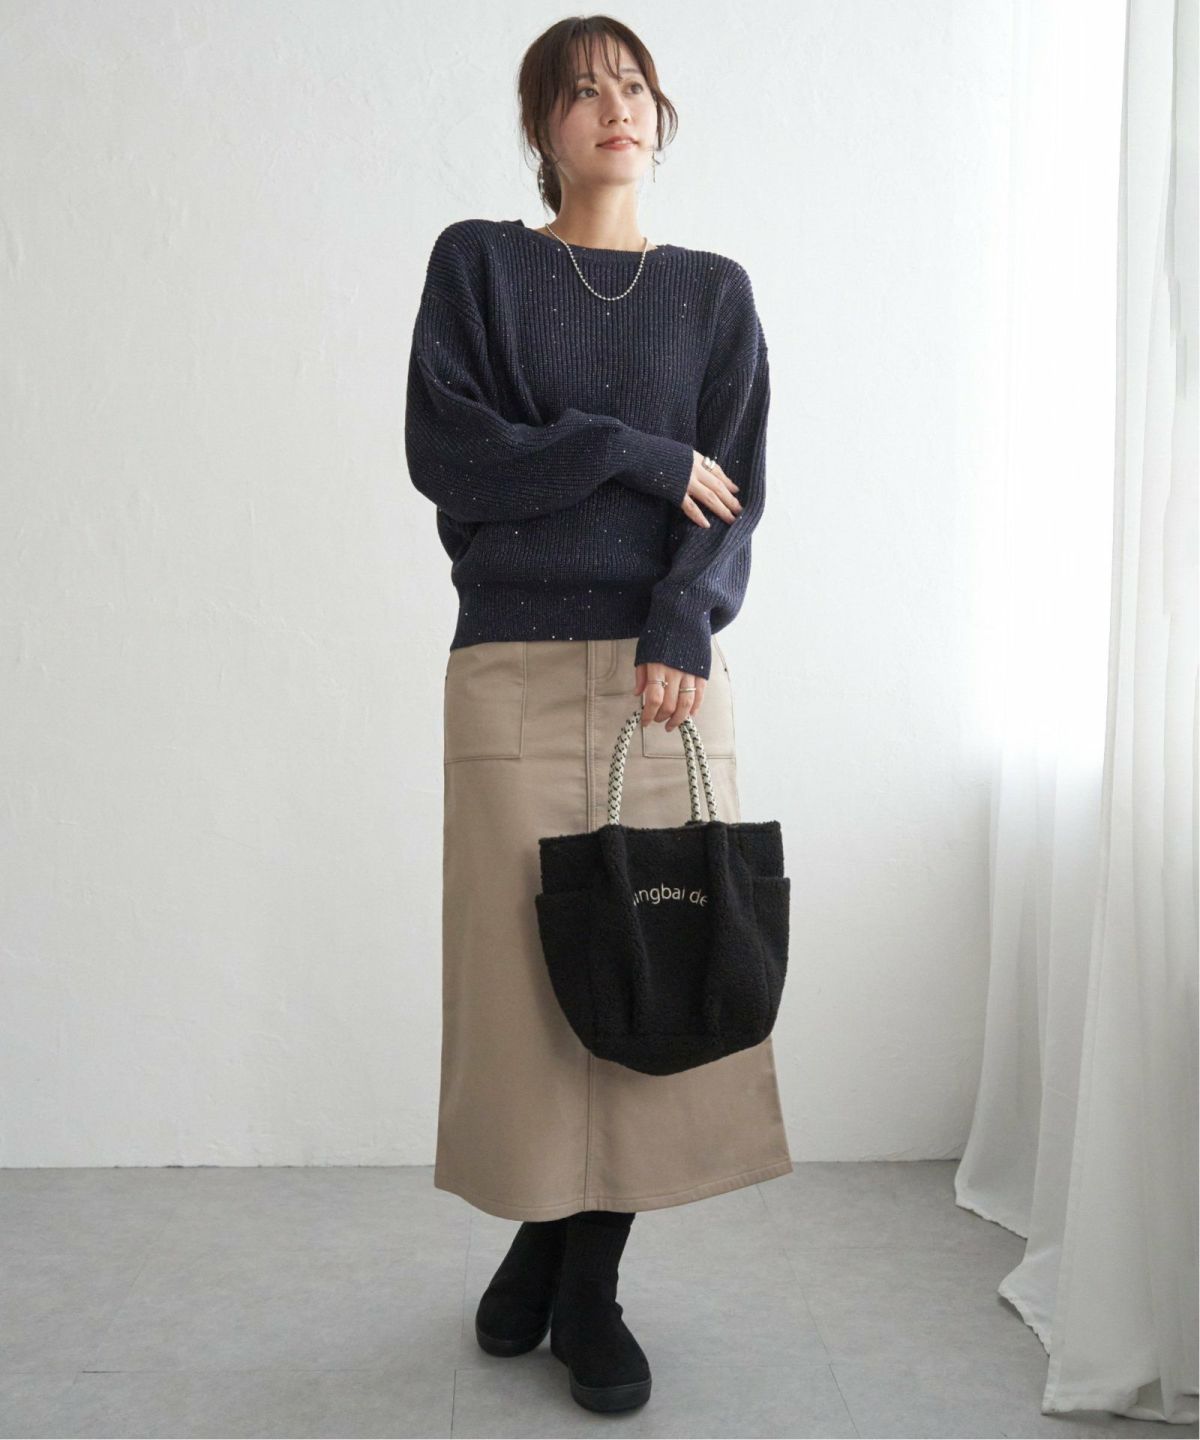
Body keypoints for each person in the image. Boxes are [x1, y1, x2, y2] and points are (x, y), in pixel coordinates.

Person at [404, 15, 793, 1415]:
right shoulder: (480, 265)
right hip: (512, 660)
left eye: (632, 86)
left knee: (649, 963)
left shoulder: (714, 294)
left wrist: (684, 619)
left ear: (660, 115)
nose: (613, 107)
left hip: (662, 673)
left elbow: (735, 493)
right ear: (542, 129)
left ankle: (584, 1285)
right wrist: (635, 452)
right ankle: (541, 1240)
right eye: (580, 93)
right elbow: (452, 455)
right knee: (527, 983)